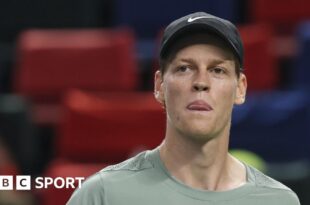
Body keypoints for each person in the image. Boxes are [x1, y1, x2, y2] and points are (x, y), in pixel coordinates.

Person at [67, 12, 300, 205]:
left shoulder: (278, 201)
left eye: (217, 70)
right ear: (159, 86)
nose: (201, 81)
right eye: (184, 69)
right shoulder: (102, 195)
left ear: (240, 89)